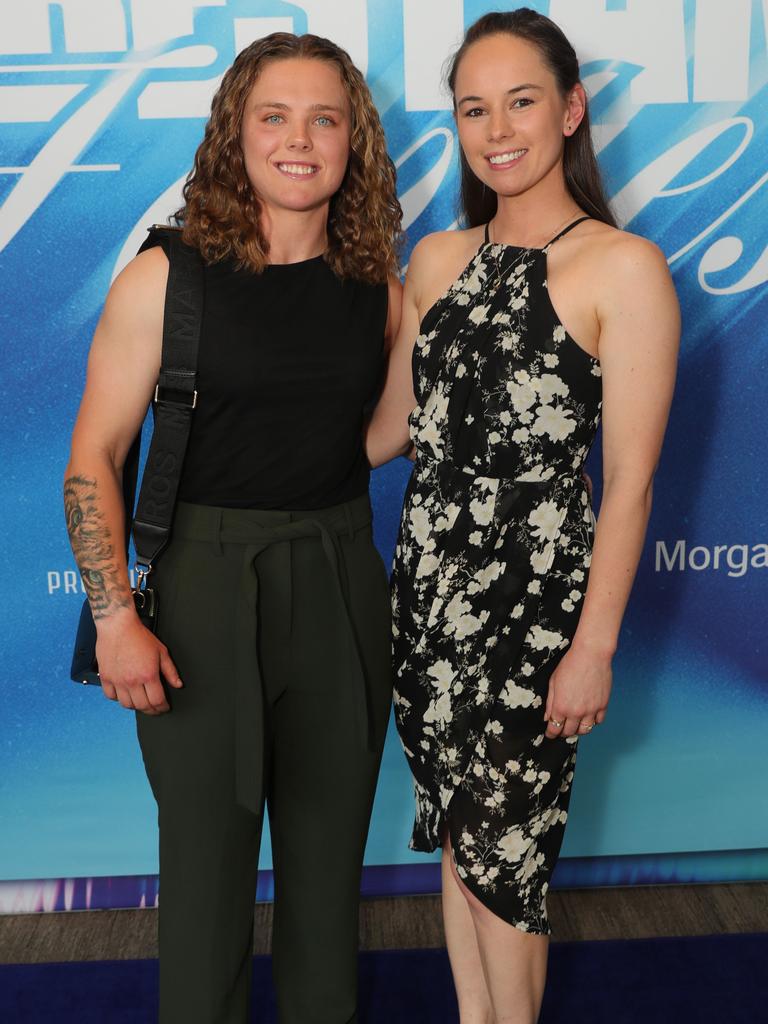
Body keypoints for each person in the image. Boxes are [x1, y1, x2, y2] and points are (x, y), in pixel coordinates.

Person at [64, 32, 402, 1024]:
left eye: (324, 118)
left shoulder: (379, 289)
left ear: (353, 141)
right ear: (236, 135)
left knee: (324, 874)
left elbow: (376, 437)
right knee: (207, 879)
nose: (300, 139)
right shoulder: (166, 278)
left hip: (340, 580)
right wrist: (116, 615)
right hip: (202, 593)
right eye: (275, 116)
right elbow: (93, 458)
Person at [366, 9, 679, 1024]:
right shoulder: (434, 260)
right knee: (463, 846)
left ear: (572, 108)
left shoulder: (623, 268)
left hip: (536, 616)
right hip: (427, 604)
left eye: (522, 101)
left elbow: (627, 482)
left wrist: (593, 647)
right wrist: (227, 435)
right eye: (473, 108)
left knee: (509, 865)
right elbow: (387, 430)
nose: (497, 128)